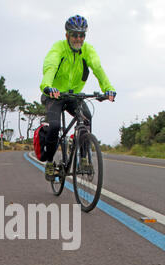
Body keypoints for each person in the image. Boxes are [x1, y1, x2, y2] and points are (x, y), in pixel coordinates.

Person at [40, 14, 116, 181]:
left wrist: (108, 89)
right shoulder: (58, 48)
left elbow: (97, 68)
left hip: (73, 95)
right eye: (74, 35)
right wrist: (47, 86)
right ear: (67, 35)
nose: (78, 38)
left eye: (82, 35)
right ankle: (50, 162)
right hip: (54, 94)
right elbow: (50, 67)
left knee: (86, 119)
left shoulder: (88, 50)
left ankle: (83, 158)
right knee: (54, 126)